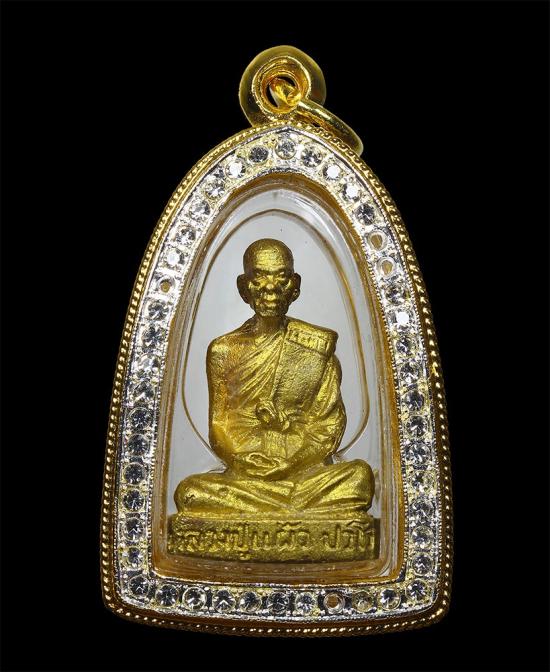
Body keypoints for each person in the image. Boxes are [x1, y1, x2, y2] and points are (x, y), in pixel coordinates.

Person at [172, 239, 374, 520]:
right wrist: (241, 460)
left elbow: (328, 428)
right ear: (244, 287)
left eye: (281, 278)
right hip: (246, 474)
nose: (271, 288)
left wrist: (290, 463)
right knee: (190, 493)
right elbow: (219, 425)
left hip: (302, 469)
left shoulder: (315, 347)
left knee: (359, 478)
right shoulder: (223, 350)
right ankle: (288, 507)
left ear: (295, 286)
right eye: (259, 278)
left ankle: (279, 505)